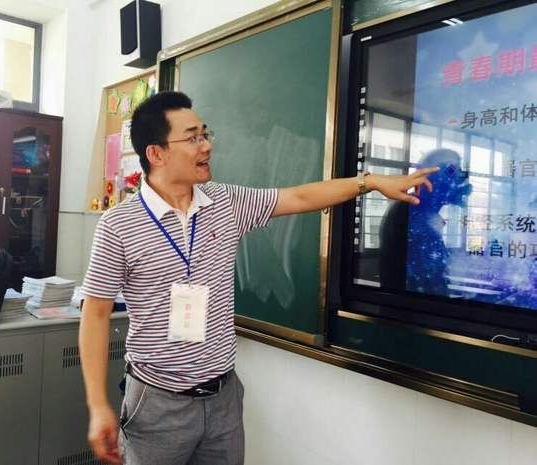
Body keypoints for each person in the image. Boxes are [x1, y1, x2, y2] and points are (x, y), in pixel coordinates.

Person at [79, 90, 439, 465]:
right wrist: (97, 404)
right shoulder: (118, 226)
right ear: (156, 154)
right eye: (193, 138)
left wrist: (370, 182)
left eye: (205, 134)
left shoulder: (225, 202)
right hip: (157, 403)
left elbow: (299, 198)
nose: (207, 146)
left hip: (223, 399)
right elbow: (96, 314)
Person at [379, 148, 472, 295]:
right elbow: (427, 281)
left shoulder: (416, 208)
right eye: (452, 171)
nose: (461, 179)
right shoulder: (414, 212)